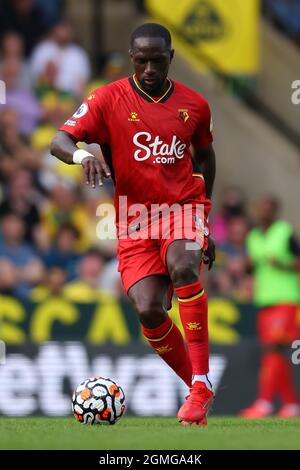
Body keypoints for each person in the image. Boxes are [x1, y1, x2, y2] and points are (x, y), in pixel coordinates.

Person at [50, 23, 216, 426]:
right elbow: (59, 141)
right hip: (135, 221)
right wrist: (82, 157)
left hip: (182, 209)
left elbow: (206, 159)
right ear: (131, 58)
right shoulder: (107, 99)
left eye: (156, 60)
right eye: (140, 60)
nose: (148, 69)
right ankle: (201, 384)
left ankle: (199, 384)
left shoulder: (194, 105)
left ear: (170, 58)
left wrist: (204, 218)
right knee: (148, 310)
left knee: (183, 267)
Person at [240, 197, 300, 418]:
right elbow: (252, 268)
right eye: (261, 208)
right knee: (275, 353)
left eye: (268, 209)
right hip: (264, 300)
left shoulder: (284, 232)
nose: (264, 212)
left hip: (286, 298)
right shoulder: (254, 237)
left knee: (275, 347)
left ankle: (264, 402)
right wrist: (247, 266)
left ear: (275, 211)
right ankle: (291, 404)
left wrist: (283, 264)